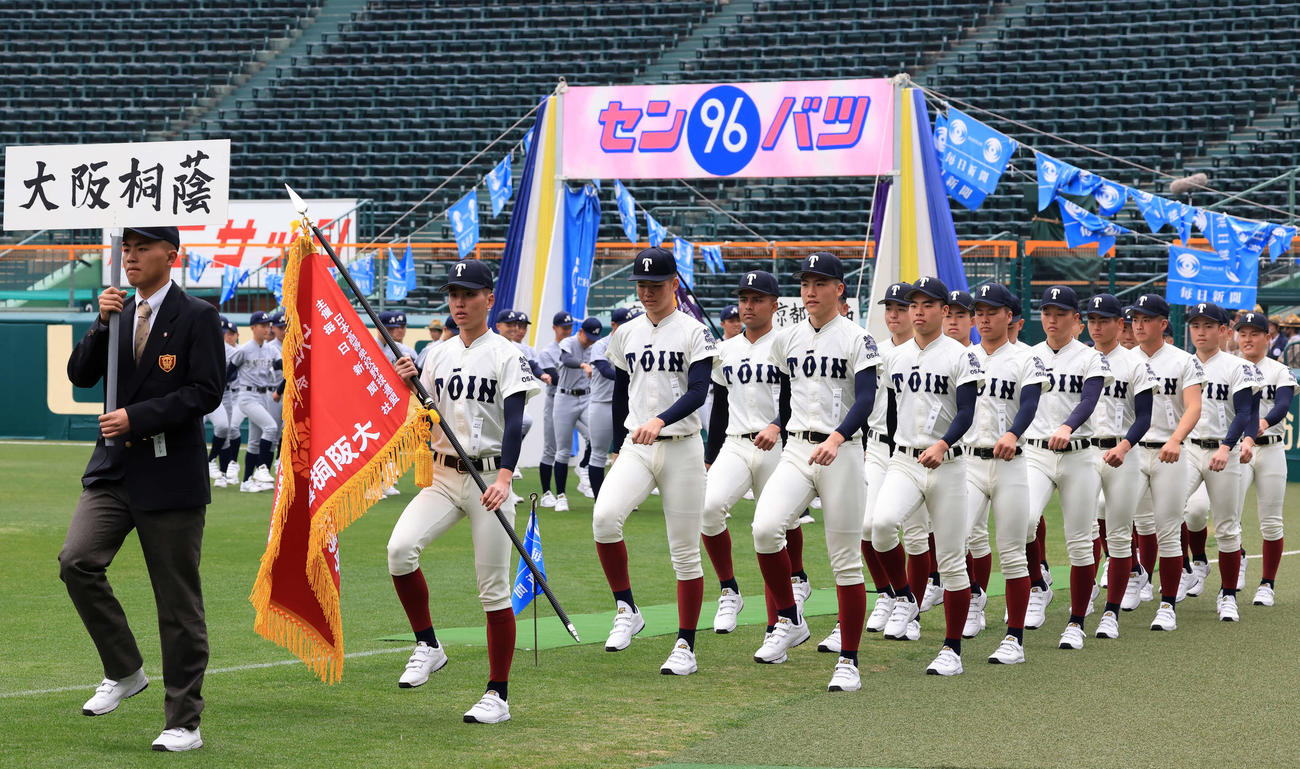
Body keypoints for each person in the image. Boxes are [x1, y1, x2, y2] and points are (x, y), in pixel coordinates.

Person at [61, 225, 224, 752]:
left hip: (170, 474)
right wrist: (99, 323)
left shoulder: (197, 315)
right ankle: (124, 669)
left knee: (176, 603)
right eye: (125, 248)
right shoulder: (118, 311)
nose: (130, 257)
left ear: (171, 256)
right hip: (113, 471)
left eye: (142, 248)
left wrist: (138, 417)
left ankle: (183, 722)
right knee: (77, 561)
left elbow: (206, 392)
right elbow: (79, 376)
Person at [388, 259, 540, 724]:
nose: (458, 302)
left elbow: (515, 421)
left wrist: (505, 477)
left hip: (489, 479)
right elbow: (427, 411)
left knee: (493, 592)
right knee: (399, 550)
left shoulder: (506, 353)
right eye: (453, 293)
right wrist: (409, 380)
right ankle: (429, 644)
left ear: (488, 300)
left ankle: (498, 695)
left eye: (469, 294)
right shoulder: (438, 352)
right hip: (443, 474)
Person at [750, 253, 881, 691]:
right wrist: (774, 422)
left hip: (841, 451)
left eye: (820, 282)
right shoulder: (786, 339)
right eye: (805, 282)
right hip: (796, 449)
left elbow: (865, 400)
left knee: (845, 560)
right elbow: (788, 395)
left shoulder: (858, 339)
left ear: (839, 289)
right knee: (765, 529)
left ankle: (849, 660)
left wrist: (839, 437)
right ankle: (790, 618)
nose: (810, 290)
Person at [592, 246, 717, 676]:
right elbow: (621, 394)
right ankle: (626, 608)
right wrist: (611, 447)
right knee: (604, 518)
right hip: (636, 444)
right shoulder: (625, 332)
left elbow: (699, 392)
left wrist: (661, 420)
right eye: (641, 284)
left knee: (684, 552)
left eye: (655, 284)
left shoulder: (694, 331)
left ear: (674, 284)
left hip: (682, 445)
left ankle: (686, 645)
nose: (647, 291)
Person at [866, 276, 982, 675]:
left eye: (926, 304)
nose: (917, 311)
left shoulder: (960, 355)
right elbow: (894, 410)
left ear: (943, 311)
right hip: (904, 460)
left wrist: (943, 443)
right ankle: (906, 597)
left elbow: (966, 412)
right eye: (913, 304)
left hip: (948, 464)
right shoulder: (895, 357)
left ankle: (951, 649)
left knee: (950, 562)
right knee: (880, 527)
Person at [959, 283, 1045, 662]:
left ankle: (1014, 639)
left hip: (1011, 463)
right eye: (978, 311)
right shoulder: (964, 357)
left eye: (991, 311)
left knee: (1012, 551)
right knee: (955, 543)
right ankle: (967, 614)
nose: (983, 318)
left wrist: (1013, 432)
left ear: (1009, 316)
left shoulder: (1027, 359)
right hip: (969, 464)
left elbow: (1029, 404)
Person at [1022, 285, 1109, 650]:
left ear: (1077, 319)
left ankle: (1076, 621)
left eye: (1060, 313)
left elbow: (1089, 401)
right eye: (1046, 312)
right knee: (1023, 522)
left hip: (1078, 454)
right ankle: (1039, 586)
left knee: (1079, 541)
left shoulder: (1092, 358)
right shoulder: (1028, 356)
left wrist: (1067, 426)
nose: (1052, 319)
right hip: (1036, 454)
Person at [701, 271, 787, 635]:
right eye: (744, 299)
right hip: (736, 442)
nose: (748, 306)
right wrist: (709, 456)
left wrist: (779, 424)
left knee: (775, 530)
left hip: (779, 443)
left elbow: (797, 397)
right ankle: (729, 589)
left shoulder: (787, 343)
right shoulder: (726, 349)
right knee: (707, 510)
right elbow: (719, 406)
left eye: (757, 299)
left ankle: (778, 619)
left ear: (774, 305)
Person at [1177, 303, 1260, 622]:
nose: (1200, 331)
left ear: (1224, 330)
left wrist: (1228, 446)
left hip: (1225, 451)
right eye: (1195, 325)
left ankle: (1227, 595)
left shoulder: (1236, 367)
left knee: (1227, 528)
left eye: (1208, 325)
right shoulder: (1182, 363)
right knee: (1173, 515)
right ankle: (1185, 572)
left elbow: (1244, 413)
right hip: (1187, 449)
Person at [1127, 294, 1203, 630]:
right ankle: (1134, 577)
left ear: (1162, 323)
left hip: (1168, 451)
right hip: (1131, 451)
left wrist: (1176, 439)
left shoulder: (1183, 360)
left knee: (1168, 529)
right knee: (1126, 521)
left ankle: (1168, 603)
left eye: (1147, 318)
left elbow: (1194, 406)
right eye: (1135, 319)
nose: (1139, 324)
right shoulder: (1124, 360)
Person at [1084, 293, 1156, 640]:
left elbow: (1145, 417)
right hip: (1083, 453)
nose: (1097, 326)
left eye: (1104, 320)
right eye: (1092, 320)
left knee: (1119, 532)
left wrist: (1126, 446)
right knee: (1082, 532)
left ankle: (1111, 612)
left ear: (1119, 324)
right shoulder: (1078, 359)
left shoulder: (1134, 364)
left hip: (1121, 453)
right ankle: (1085, 599)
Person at [1234, 310, 1294, 606]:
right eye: (1242, 333)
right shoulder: (1231, 368)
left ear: (1267, 338)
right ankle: (1239, 557)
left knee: (1271, 523)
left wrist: (1263, 423)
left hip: (1269, 448)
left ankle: (1267, 583)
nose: (1248, 338)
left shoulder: (1278, 370)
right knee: (1229, 516)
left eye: (1254, 333)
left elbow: (1282, 404)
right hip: (1236, 450)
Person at [227, 311, 282, 492]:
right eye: (263, 325)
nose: (267, 328)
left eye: (268, 325)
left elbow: (282, 365)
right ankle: (262, 468)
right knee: (271, 428)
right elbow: (230, 370)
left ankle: (245, 482)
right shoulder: (244, 349)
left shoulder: (271, 349)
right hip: (247, 396)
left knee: (254, 442)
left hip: (265, 396)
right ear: (252, 328)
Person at [586, 308, 636, 499]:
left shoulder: (634, 343)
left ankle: (623, 498)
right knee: (599, 452)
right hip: (602, 403)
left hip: (627, 405)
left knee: (629, 454)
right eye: (623, 324)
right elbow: (605, 371)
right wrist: (633, 378)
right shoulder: (601, 344)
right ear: (613, 325)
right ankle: (600, 499)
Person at [551, 317, 600, 511]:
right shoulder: (568, 342)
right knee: (562, 450)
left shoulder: (596, 346)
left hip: (586, 398)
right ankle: (561, 496)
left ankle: (583, 468)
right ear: (580, 332)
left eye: (593, 339)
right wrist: (583, 365)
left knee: (596, 438)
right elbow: (566, 359)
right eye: (587, 337)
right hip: (565, 398)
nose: (589, 342)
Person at [536, 312, 572, 506]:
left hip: (576, 399)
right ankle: (546, 493)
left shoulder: (575, 345)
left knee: (591, 437)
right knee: (551, 447)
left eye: (569, 327)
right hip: (555, 398)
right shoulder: (548, 351)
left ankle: (584, 471)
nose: (567, 331)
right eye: (563, 327)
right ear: (554, 328)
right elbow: (554, 377)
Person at [204, 316, 243, 488]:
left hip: (224, 395)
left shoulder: (231, 351)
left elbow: (235, 372)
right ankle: (208, 464)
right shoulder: (200, 346)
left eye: (222, 331)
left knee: (224, 430)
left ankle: (222, 472)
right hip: (200, 394)